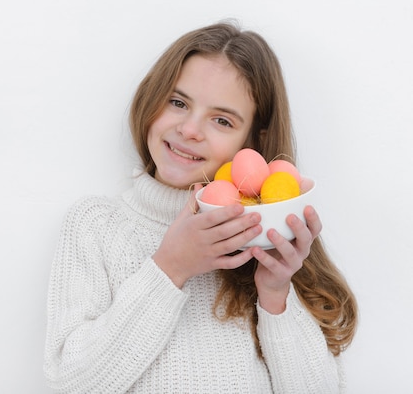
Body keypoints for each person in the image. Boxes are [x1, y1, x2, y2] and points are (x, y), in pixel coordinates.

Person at [43, 21, 357, 393]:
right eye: (178, 102)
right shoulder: (96, 225)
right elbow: (70, 383)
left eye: (222, 120)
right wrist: (170, 268)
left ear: (252, 141)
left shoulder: (264, 244)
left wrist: (275, 293)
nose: (190, 129)